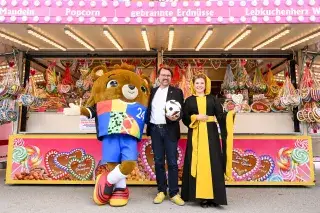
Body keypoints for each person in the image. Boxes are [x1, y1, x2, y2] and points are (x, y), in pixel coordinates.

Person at [181, 73, 235, 208]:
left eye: (202, 83)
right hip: (195, 135)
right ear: (193, 85)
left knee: (213, 163)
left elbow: (220, 116)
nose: (199, 85)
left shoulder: (213, 99)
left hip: (211, 136)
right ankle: (201, 197)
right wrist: (196, 117)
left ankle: (214, 197)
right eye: (197, 83)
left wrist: (231, 114)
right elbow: (185, 118)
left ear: (206, 85)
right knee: (197, 162)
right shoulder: (189, 100)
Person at [146, 67, 185, 206]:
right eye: (163, 75)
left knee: (173, 162)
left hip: (170, 130)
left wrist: (176, 116)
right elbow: (149, 109)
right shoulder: (153, 91)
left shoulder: (177, 92)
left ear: (171, 78)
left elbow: (182, 112)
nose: (165, 77)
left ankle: (174, 192)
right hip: (156, 130)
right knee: (158, 162)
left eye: (168, 75)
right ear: (158, 76)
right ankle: (161, 191)